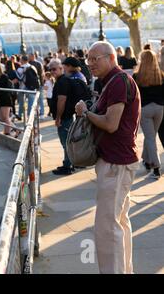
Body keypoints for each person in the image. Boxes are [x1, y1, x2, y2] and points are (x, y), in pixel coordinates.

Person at [75, 41, 141, 274]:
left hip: (116, 162)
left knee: (107, 227)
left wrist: (86, 113)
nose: (90, 63)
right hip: (117, 160)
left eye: (95, 58)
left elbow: (111, 124)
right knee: (118, 222)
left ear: (111, 58)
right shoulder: (113, 82)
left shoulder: (118, 82)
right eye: (88, 59)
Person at [133, 50, 164, 180]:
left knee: (150, 137)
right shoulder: (161, 75)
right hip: (159, 108)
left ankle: (156, 168)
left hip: (145, 109)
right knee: (150, 136)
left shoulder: (137, 76)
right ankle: (146, 160)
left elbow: (135, 95)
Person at [49, 60, 75, 175]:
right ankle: (68, 163)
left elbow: (62, 100)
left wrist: (58, 117)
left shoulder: (62, 82)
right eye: (50, 69)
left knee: (66, 142)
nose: (52, 71)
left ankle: (68, 166)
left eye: (54, 69)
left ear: (61, 68)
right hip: (66, 117)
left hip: (65, 117)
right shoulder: (61, 80)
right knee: (66, 142)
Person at [0, 61, 16, 136]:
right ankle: (15, 129)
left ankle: (7, 133)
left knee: (5, 117)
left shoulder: (4, 76)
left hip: (5, 99)